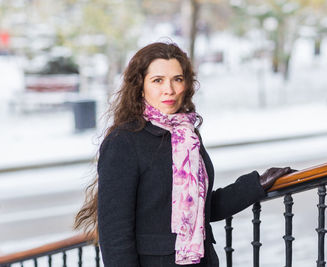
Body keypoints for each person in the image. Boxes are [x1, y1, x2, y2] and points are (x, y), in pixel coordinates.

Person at [74, 42, 294, 267]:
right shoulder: (124, 141)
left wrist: (256, 184)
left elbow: (202, 207)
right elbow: (115, 234)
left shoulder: (186, 135)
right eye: (157, 80)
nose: (169, 89)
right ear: (140, 86)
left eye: (177, 79)